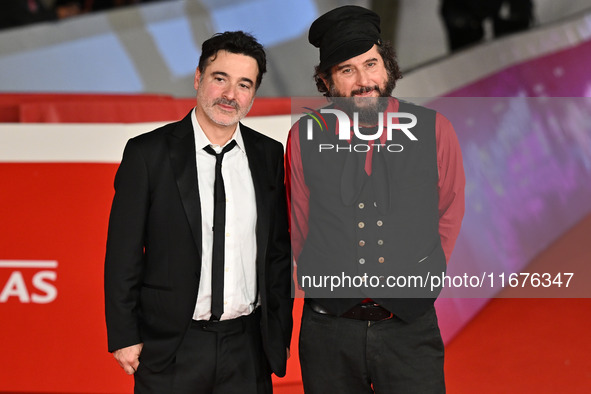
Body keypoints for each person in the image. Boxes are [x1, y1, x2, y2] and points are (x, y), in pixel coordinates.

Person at [286, 6, 465, 393]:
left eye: (371, 64)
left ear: (388, 67)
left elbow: (449, 211)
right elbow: (300, 224)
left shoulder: (435, 131)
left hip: (408, 330)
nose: (364, 81)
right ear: (326, 81)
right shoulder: (303, 138)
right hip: (327, 331)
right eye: (347, 70)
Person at [104, 31, 292, 393]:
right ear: (198, 78)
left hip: (248, 347)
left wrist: (277, 332)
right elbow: (123, 253)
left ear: (253, 93)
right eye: (220, 78)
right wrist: (124, 334)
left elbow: (277, 253)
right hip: (172, 346)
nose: (230, 95)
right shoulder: (148, 153)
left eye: (244, 84)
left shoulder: (269, 155)